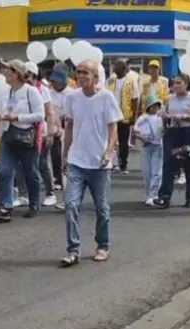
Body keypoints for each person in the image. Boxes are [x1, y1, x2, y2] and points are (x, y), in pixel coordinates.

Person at [60, 60, 122, 267]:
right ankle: (73, 249)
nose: (80, 76)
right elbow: (68, 126)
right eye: (78, 72)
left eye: (85, 72)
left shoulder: (106, 97)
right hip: (77, 161)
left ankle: (102, 246)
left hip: (99, 164)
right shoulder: (72, 97)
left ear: (95, 76)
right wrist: (64, 154)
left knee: (102, 208)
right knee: (70, 205)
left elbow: (113, 128)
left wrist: (108, 151)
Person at [0, 59, 45, 224]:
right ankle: (5, 207)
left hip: (26, 136)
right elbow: (2, 110)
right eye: (5, 70)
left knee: (31, 173)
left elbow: (40, 115)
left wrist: (17, 117)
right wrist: (1, 116)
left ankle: (34, 204)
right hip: (8, 135)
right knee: (5, 172)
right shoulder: (6, 92)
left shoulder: (31, 91)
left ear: (18, 74)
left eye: (9, 71)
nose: (6, 74)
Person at [155, 74, 190, 208]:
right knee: (169, 163)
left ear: (186, 84)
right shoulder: (169, 98)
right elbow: (166, 115)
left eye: (179, 83)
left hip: (187, 132)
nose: (175, 85)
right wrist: (164, 116)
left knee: (189, 164)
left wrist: (185, 116)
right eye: (174, 83)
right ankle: (164, 197)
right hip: (173, 131)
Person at [26, 62, 58, 208]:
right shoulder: (20, 89)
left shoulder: (42, 89)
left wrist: (50, 133)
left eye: (29, 75)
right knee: (26, 164)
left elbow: (49, 112)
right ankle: (24, 194)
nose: (26, 78)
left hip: (41, 131)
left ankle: (50, 193)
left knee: (41, 163)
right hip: (25, 130)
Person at [106, 59, 140, 174]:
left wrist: (133, 117)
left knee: (123, 142)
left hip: (124, 116)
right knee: (111, 140)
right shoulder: (111, 81)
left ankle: (123, 165)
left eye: (117, 67)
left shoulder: (131, 81)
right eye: (114, 66)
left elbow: (135, 99)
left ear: (124, 69)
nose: (114, 68)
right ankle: (112, 163)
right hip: (112, 116)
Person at [133, 96, 164, 206]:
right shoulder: (143, 118)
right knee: (147, 172)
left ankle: (154, 195)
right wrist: (142, 138)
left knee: (157, 172)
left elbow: (166, 130)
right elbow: (135, 131)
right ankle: (148, 194)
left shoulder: (161, 118)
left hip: (158, 146)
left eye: (157, 106)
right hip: (146, 147)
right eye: (153, 106)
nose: (155, 108)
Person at [49, 67, 75, 191]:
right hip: (55, 127)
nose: (53, 84)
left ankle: (69, 177)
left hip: (68, 127)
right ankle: (57, 178)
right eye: (52, 81)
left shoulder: (72, 93)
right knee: (55, 154)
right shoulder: (50, 94)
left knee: (68, 153)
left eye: (55, 81)